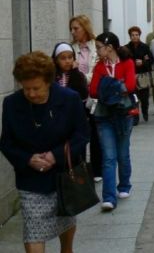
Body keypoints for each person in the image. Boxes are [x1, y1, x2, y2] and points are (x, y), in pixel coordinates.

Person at [0, 51, 89, 253]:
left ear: (48, 81)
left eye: (36, 88)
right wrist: (27, 159)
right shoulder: (12, 104)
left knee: (65, 220)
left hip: (64, 175)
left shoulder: (69, 99)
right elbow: (6, 142)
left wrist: (54, 156)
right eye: (26, 88)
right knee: (33, 229)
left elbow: (82, 135)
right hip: (30, 178)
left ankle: (67, 250)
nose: (31, 93)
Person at [89, 32, 136, 211]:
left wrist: (107, 86)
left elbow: (131, 86)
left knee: (123, 153)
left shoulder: (127, 63)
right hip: (104, 115)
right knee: (109, 157)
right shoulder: (100, 67)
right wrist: (117, 85)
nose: (97, 50)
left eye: (99, 47)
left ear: (109, 47)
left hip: (123, 114)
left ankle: (124, 185)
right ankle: (108, 197)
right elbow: (93, 90)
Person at [69, 15, 101, 181]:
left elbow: (95, 73)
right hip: (76, 98)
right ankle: (80, 168)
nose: (73, 32)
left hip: (94, 97)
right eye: (72, 29)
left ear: (85, 28)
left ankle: (96, 169)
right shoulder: (70, 49)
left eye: (76, 28)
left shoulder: (96, 47)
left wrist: (79, 75)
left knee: (95, 133)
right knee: (79, 135)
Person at [126, 26, 154, 123]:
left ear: (139, 35)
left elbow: (151, 60)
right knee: (134, 97)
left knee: (144, 98)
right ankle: (135, 117)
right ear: (130, 36)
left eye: (136, 35)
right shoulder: (126, 47)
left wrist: (143, 62)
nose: (135, 37)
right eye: (133, 35)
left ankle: (145, 112)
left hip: (143, 75)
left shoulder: (145, 47)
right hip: (132, 75)